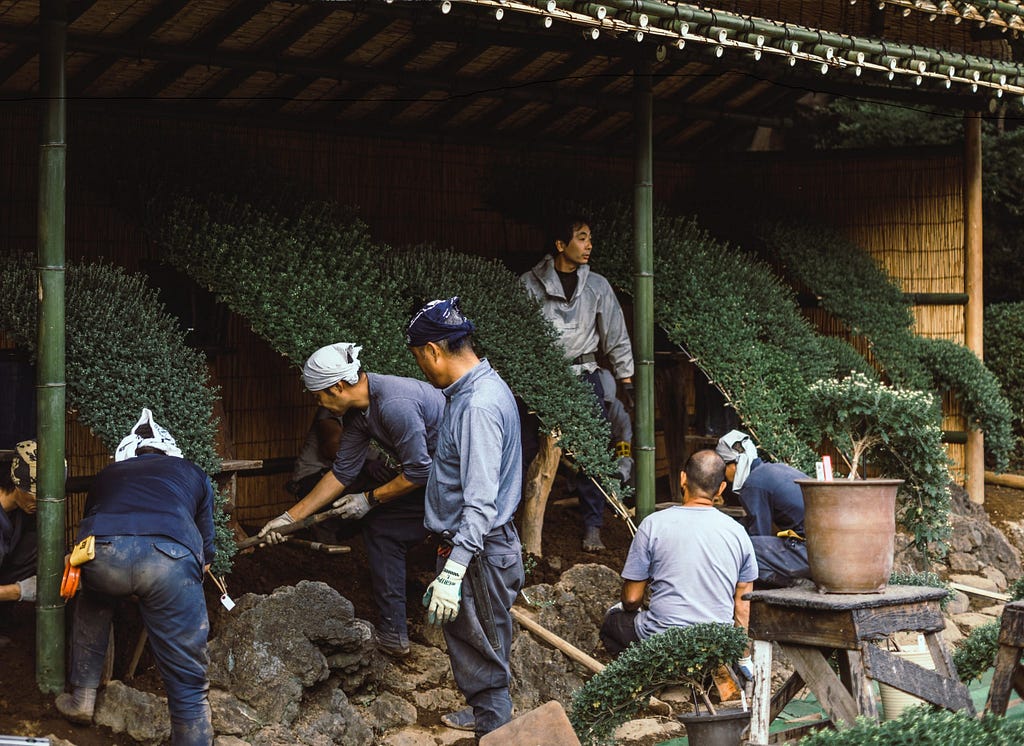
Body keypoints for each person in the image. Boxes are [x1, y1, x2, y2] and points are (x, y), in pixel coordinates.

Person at [258, 342, 444, 657]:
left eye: (319, 396)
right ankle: (394, 635)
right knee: (383, 530)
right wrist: (288, 519)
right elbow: (341, 473)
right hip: (435, 479)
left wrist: (370, 499)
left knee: (425, 534)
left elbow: (417, 473)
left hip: (463, 483)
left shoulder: (394, 404)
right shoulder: (358, 416)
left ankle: (455, 628)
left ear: (339, 386)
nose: (319, 404)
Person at [55, 409, 215, 746]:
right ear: (171, 452)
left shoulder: (107, 474)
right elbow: (206, 549)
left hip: (105, 554)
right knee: (188, 680)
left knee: (93, 599)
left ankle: (81, 697)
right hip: (168, 559)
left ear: (126, 454)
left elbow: (93, 521)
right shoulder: (194, 473)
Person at [406, 297, 524, 739]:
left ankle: (494, 732)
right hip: (480, 549)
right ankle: (488, 718)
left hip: (477, 553)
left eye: (419, 357)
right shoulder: (478, 389)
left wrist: (454, 570)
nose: (421, 367)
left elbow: (480, 502)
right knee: (482, 652)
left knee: (486, 663)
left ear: (434, 351)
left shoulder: (476, 406)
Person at [520, 216, 634, 551]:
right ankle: (514, 520)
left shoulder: (597, 285)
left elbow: (615, 333)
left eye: (589, 239)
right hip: (542, 378)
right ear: (560, 245)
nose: (589, 245)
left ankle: (593, 525)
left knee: (591, 449)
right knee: (527, 448)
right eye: (581, 238)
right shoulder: (529, 283)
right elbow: (519, 335)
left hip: (585, 377)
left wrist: (625, 377)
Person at [599, 449, 757, 673]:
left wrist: (623, 608)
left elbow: (632, 599)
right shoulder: (738, 532)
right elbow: (742, 604)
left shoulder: (653, 524)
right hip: (715, 645)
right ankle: (706, 674)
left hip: (664, 643)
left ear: (683, 478)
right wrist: (742, 656)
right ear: (721, 489)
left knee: (612, 624)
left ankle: (647, 677)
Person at [715, 430, 811, 589]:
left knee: (744, 549)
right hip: (822, 549)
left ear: (734, 464)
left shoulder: (753, 485)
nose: (723, 475)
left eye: (723, 467)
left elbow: (759, 534)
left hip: (809, 553)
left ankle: (793, 583)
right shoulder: (774, 470)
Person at [0, 440, 38, 623]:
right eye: (34, 495)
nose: (38, 503)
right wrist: (20, 591)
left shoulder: (23, 514)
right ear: (17, 482)